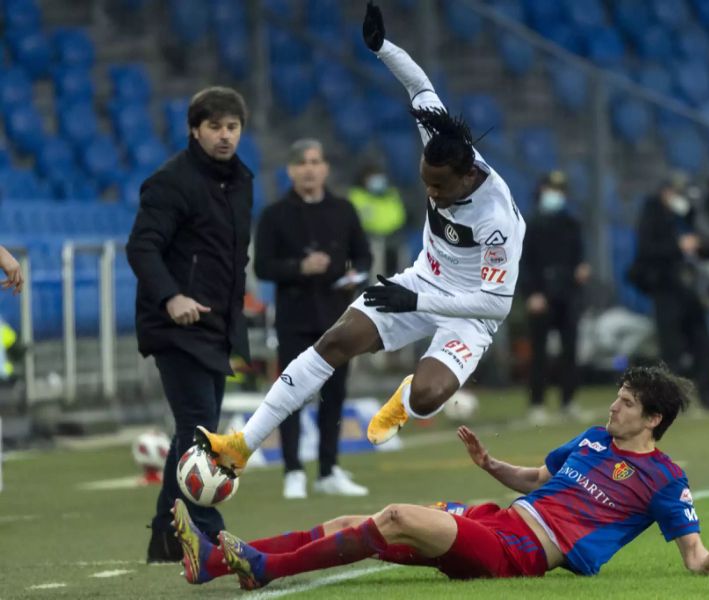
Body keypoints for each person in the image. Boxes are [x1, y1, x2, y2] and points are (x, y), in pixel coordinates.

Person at [194, 1, 526, 478]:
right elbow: (420, 86)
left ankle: (405, 399)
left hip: (470, 310)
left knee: (431, 396)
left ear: (468, 175)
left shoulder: (498, 221)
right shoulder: (443, 145)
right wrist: (381, 47)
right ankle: (242, 443)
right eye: (425, 182)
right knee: (338, 340)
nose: (429, 193)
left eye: (438, 187)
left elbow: (496, 304)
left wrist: (418, 300)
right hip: (422, 280)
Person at [171, 365, 709, 588]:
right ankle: (218, 563)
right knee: (360, 521)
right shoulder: (593, 439)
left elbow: (691, 553)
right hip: (497, 521)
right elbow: (535, 479)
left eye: (626, 403)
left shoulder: (666, 480)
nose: (613, 407)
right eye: (617, 398)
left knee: (395, 516)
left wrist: (708, 562)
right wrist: (491, 466)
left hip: (523, 552)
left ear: (653, 419)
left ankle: (266, 569)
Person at [126, 86, 254, 563]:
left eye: (232, 127)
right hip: (175, 325)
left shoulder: (242, 181)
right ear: (194, 130)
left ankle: (165, 536)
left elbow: (233, 257)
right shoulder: (170, 182)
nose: (224, 136)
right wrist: (172, 297)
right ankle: (211, 534)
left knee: (192, 433)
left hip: (216, 326)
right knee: (199, 433)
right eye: (215, 127)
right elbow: (141, 247)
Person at [254, 138, 372, 499]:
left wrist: (355, 277)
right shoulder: (275, 215)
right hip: (294, 317)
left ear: (325, 168)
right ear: (291, 170)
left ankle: (328, 469)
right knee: (290, 393)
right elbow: (262, 266)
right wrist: (299, 267)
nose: (309, 168)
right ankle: (292, 470)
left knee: (334, 395)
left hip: (337, 318)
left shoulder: (343, 210)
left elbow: (364, 258)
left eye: (315, 161)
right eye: (302, 162)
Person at [628, 172, 709, 413]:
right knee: (672, 348)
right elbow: (647, 250)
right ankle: (673, 403)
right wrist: (678, 246)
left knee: (702, 343)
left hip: (690, 287)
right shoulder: (652, 217)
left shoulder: (688, 215)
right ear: (665, 192)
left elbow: (708, 246)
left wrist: (703, 241)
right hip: (666, 287)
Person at [520, 170, 591, 425]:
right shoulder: (530, 224)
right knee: (538, 352)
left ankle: (568, 401)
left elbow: (579, 256)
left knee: (569, 350)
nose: (556, 195)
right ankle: (537, 404)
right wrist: (531, 293)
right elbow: (523, 262)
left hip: (568, 293)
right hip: (541, 293)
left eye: (560, 191)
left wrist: (582, 269)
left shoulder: (571, 224)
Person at [348, 162, 407, 275]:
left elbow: (399, 216)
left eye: (379, 177)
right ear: (363, 180)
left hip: (393, 237)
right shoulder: (356, 196)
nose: (377, 181)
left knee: (403, 252)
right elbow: (365, 221)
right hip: (369, 239)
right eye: (372, 178)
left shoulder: (391, 194)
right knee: (376, 251)